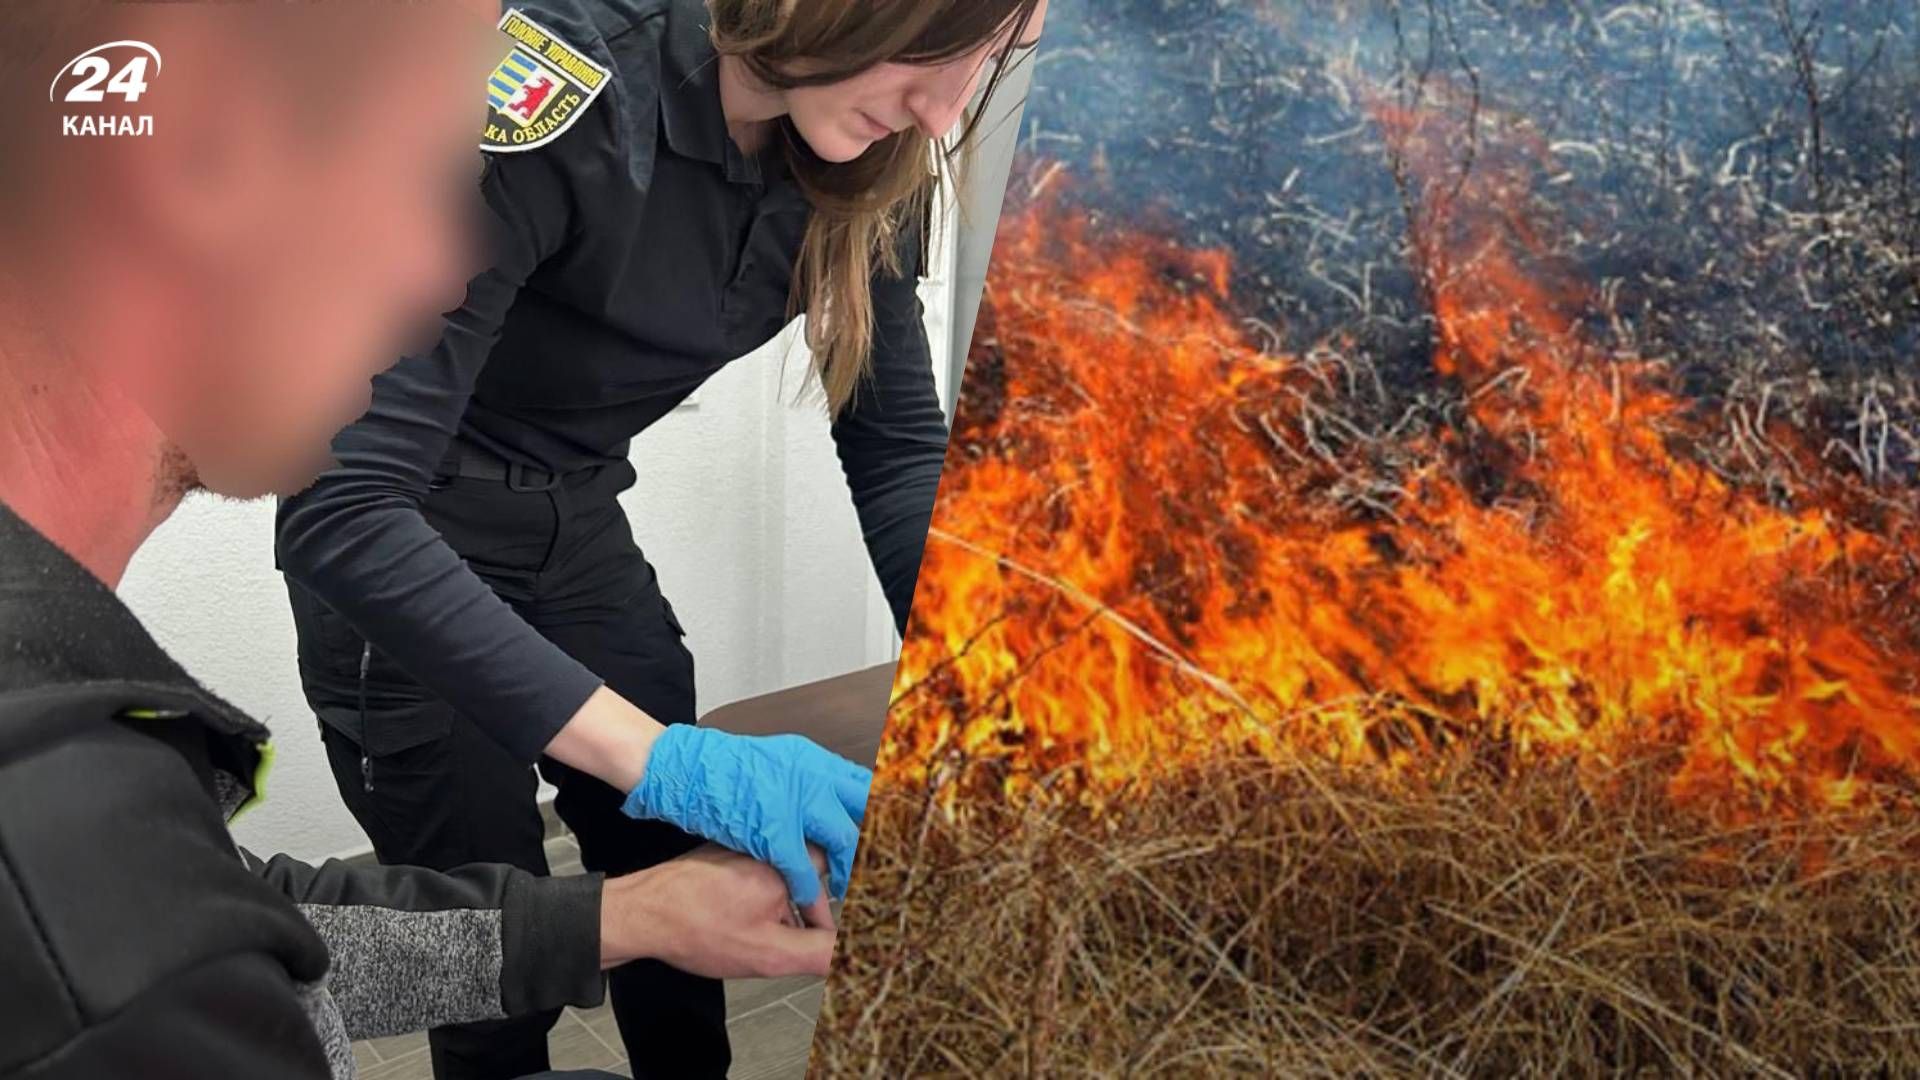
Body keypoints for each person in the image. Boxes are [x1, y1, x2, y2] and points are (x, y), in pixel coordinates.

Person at [0, 3, 833, 1078]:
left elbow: (244, 919)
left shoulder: (102, 793)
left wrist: (620, 918)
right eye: (419, 184)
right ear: (196, 171)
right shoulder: (71, 904)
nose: (449, 279)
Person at [274, 0, 1048, 1075]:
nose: (943, 106)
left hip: (577, 517)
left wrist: (995, 680)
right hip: (408, 544)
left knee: (681, 876)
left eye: (991, 61)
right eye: (929, 48)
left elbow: (898, 441)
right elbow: (340, 505)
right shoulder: (550, 90)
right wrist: (664, 755)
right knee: (497, 946)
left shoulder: (873, 148)